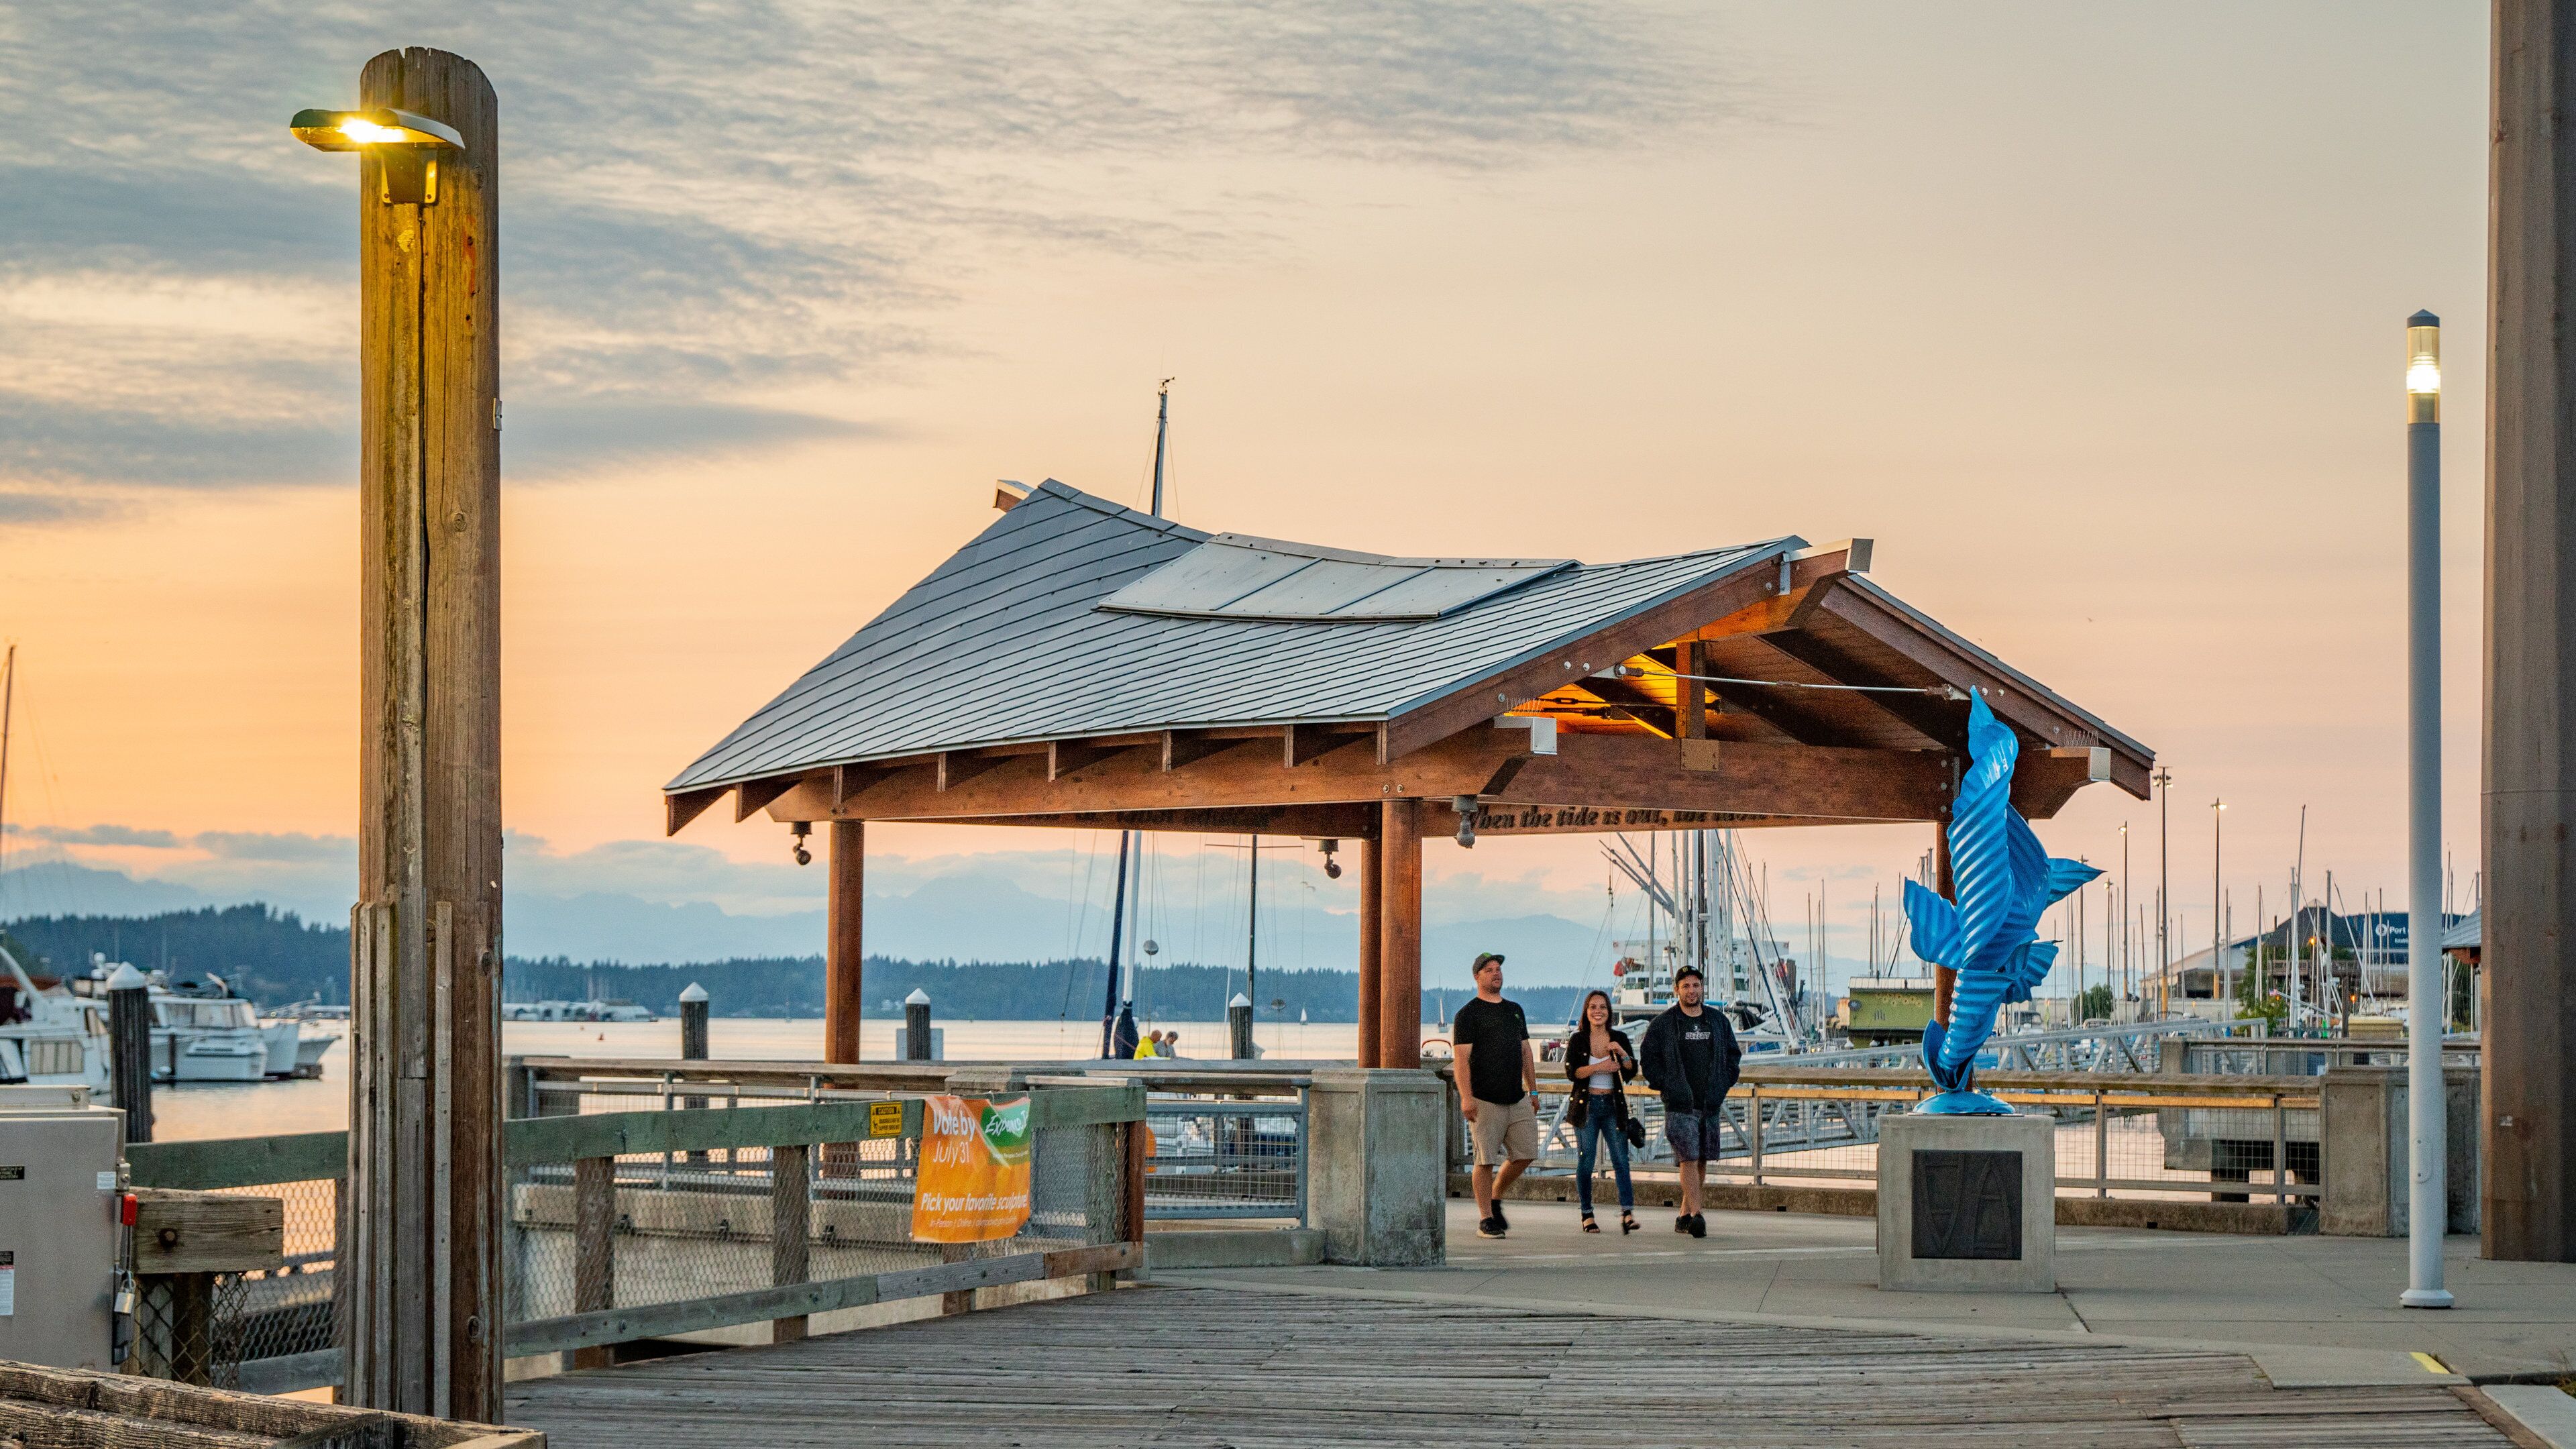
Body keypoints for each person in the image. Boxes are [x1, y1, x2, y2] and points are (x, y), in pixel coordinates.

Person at [1640, 966, 1741, 1238]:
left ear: (1702, 988)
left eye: (1696, 985)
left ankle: (1684, 1215)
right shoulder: (1663, 1024)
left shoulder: (1718, 1022)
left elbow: (1733, 1057)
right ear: (1677, 990)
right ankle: (1698, 1215)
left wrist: (1723, 1083)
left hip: (1710, 1103)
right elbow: (1649, 1060)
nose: (1691, 990)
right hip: (1679, 1105)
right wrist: (1667, 1085)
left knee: (1702, 1159)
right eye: (1686, 986)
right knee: (1688, 1158)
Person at [1451, 951, 1537, 1239]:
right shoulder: (1468, 1014)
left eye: (1498, 968)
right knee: (1484, 1160)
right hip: (1484, 1099)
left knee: (1526, 1154)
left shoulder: (1514, 1010)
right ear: (1477, 977)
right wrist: (1466, 1097)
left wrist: (1534, 1089)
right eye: (1489, 970)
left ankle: (1496, 1195)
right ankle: (1486, 1219)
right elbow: (1461, 1060)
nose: (1496, 973)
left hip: (1517, 1097)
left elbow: (1526, 1052)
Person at [1564, 988, 1640, 1235]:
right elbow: (1573, 1073)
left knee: (1621, 1160)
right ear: (1586, 1012)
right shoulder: (1578, 1039)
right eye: (1593, 1007)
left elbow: (1630, 1070)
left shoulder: (1618, 1037)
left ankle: (1627, 1213)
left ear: (1609, 1012)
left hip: (1613, 1107)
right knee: (1586, 1161)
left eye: (1603, 1007)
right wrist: (1600, 1067)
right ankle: (1587, 1214)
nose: (1598, 1011)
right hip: (1587, 1107)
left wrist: (1622, 1052)